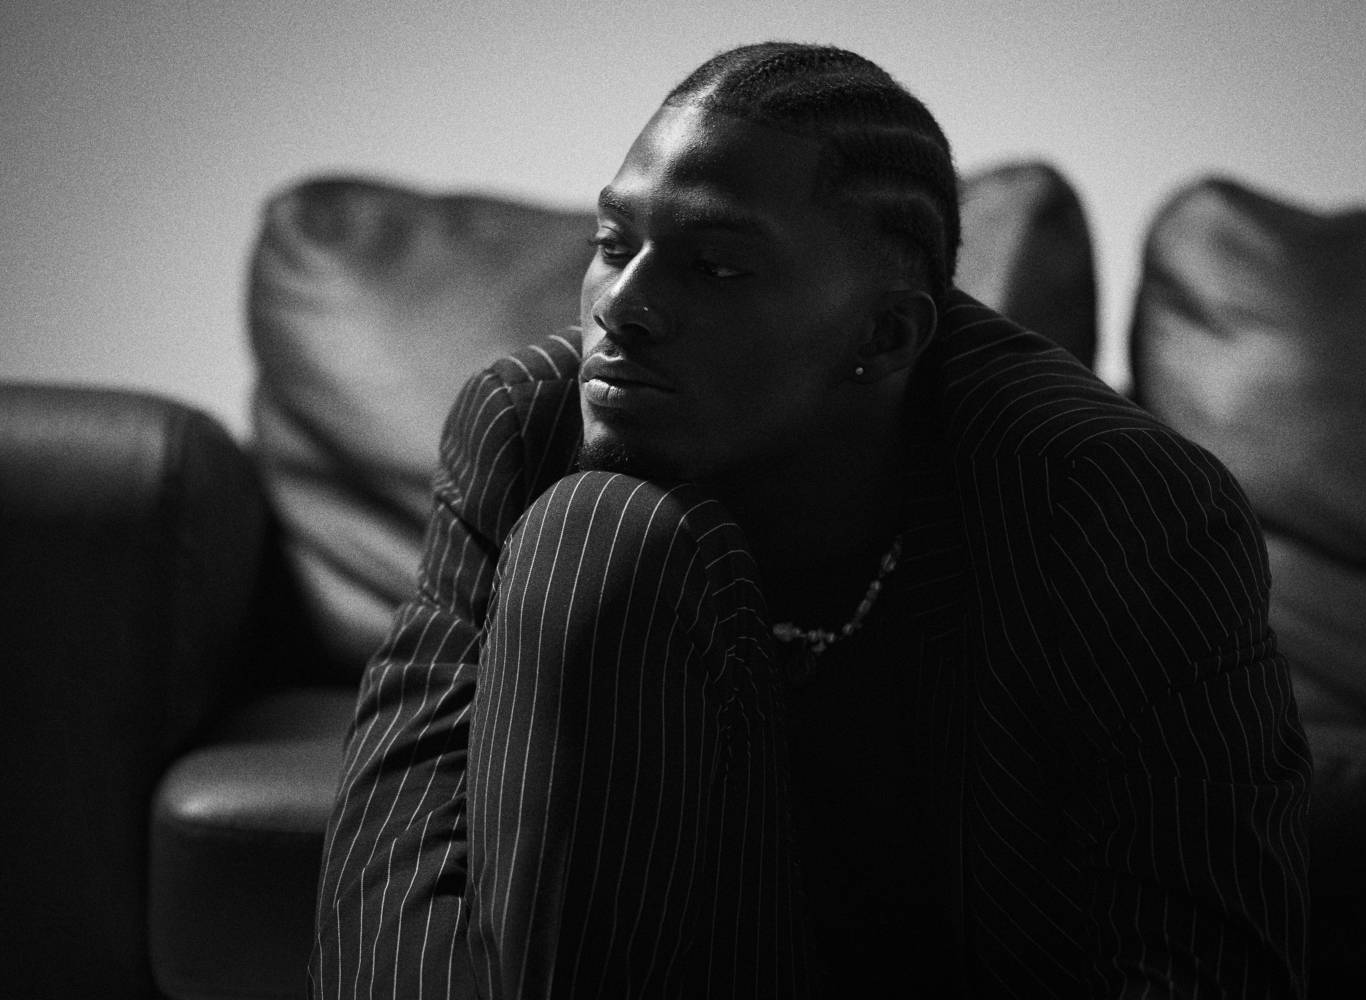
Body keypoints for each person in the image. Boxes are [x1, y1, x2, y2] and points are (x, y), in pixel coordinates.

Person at [310, 41, 1310, 998]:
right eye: (613, 245)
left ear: (886, 333)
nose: (622, 306)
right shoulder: (524, 429)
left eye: (715, 266)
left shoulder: (1115, 503)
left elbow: (1205, 948)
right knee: (597, 536)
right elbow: (397, 845)